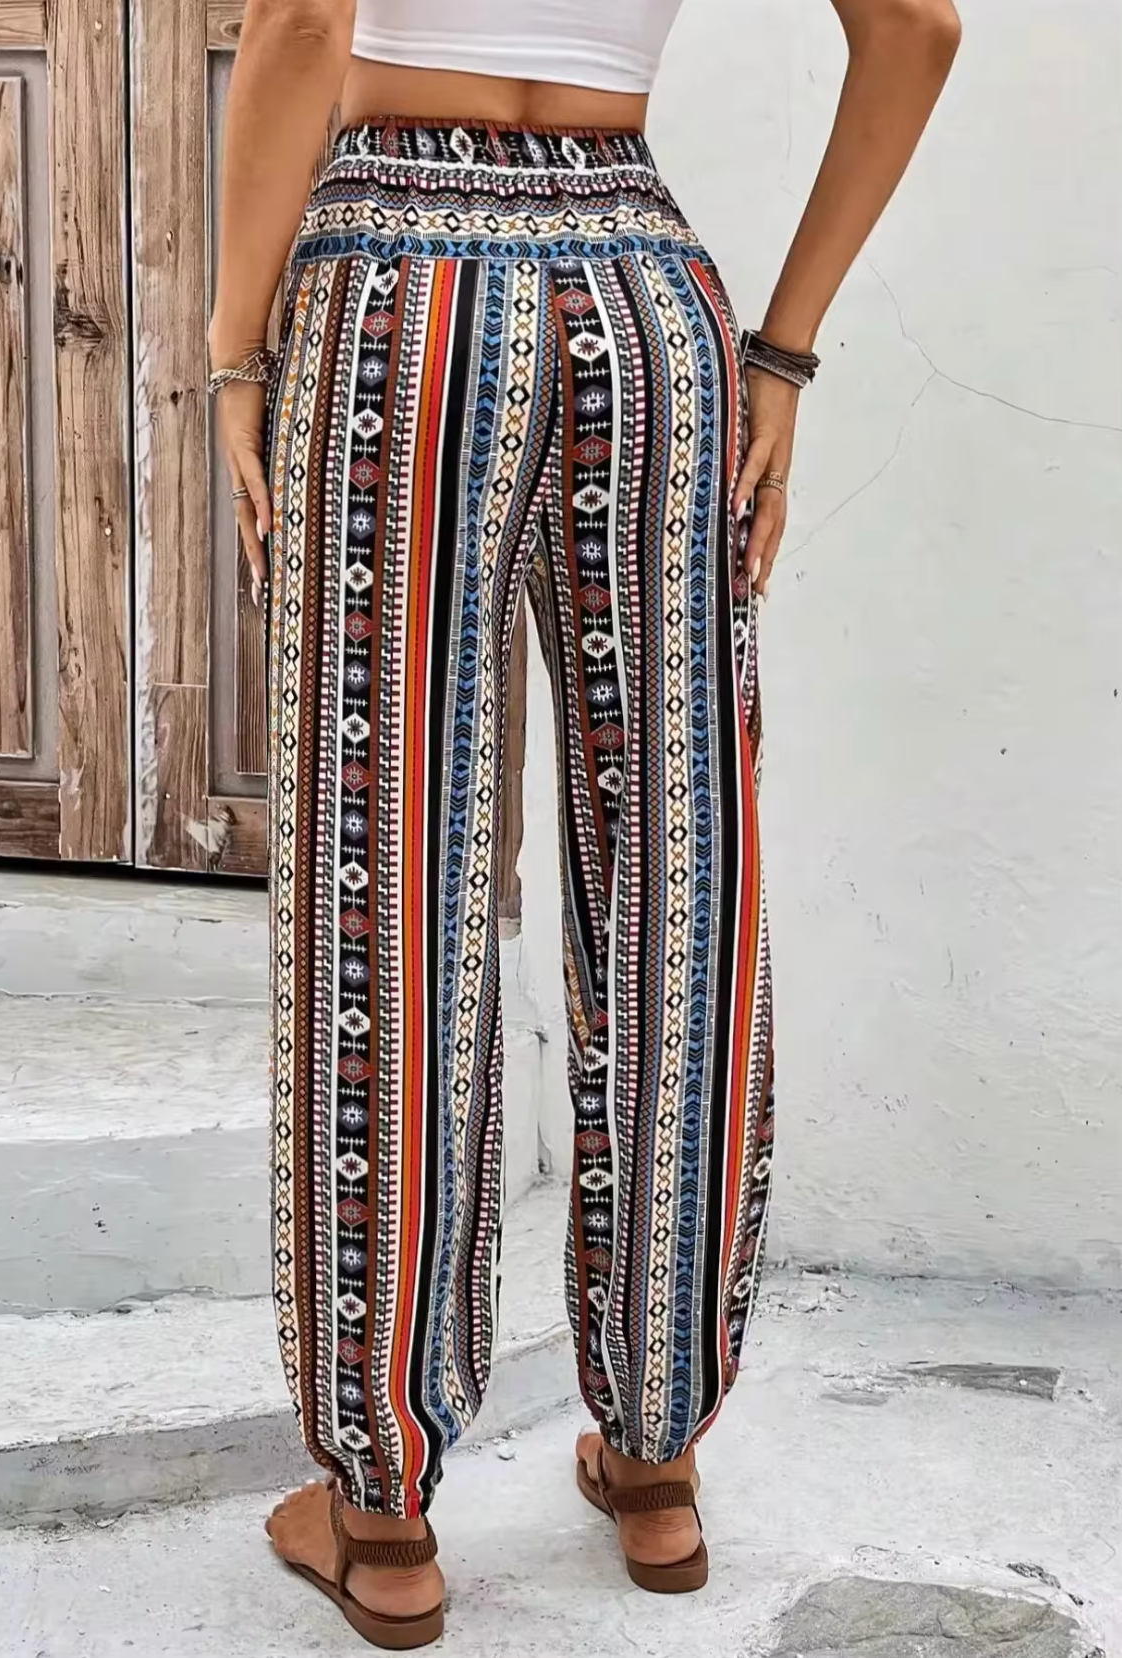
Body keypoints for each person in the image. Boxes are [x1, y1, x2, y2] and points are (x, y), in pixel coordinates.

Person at [210, 0, 960, 1645]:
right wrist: (783, 353)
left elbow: (301, 23)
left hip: (401, 295)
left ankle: (384, 1514)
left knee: (385, 872)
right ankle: (654, 1454)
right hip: (644, 301)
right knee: (676, 874)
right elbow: (915, 26)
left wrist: (230, 348)